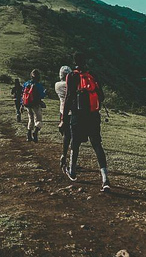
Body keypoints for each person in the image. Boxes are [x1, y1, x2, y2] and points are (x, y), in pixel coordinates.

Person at [60, 52, 110, 192]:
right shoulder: (92, 75)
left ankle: (73, 171)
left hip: (77, 115)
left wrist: (64, 118)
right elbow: (102, 96)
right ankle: (105, 179)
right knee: (97, 145)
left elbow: (69, 97)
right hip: (93, 115)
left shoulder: (72, 76)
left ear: (74, 62)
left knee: (75, 143)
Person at [54, 65, 72, 170]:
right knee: (73, 136)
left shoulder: (57, 85)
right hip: (70, 112)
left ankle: (64, 155)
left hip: (61, 112)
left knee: (66, 135)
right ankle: (71, 160)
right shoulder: (69, 85)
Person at [22, 69, 46, 142]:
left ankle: (29, 135)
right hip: (36, 104)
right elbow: (42, 95)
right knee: (38, 120)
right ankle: (35, 132)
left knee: (30, 119)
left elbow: (23, 95)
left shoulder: (26, 84)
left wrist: (22, 104)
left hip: (27, 104)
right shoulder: (38, 85)